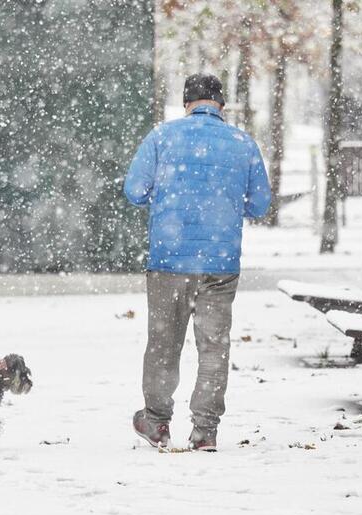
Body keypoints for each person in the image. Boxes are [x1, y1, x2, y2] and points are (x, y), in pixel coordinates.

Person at [123, 73, 271, 452]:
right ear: (221, 104)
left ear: (186, 102)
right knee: (214, 348)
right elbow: (259, 204)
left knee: (163, 344)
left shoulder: (162, 137)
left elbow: (134, 191)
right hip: (221, 264)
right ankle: (205, 430)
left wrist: (165, 196)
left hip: (169, 260)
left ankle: (156, 421)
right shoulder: (243, 143)